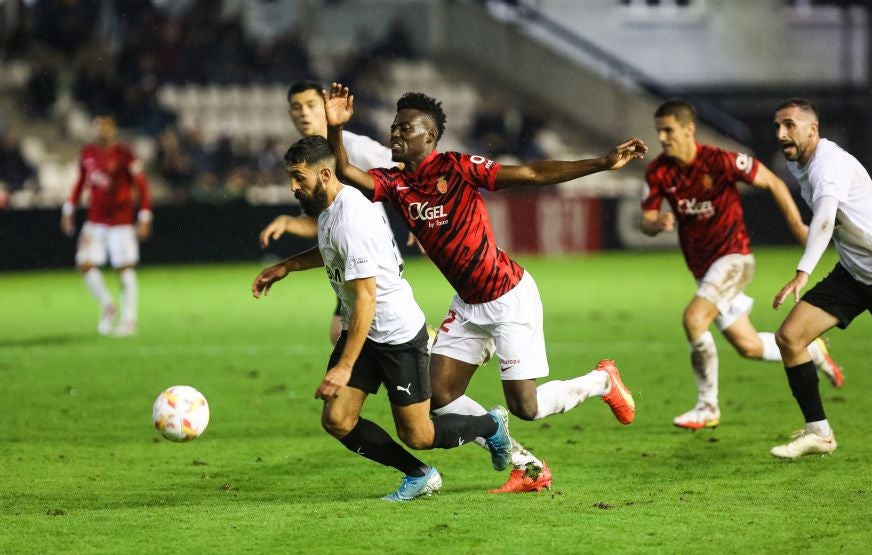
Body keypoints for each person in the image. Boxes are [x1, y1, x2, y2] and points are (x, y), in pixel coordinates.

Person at [324, 83, 644, 493]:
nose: (396, 133)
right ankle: (526, 465)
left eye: (406, 128)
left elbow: (530, 173)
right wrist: (335, 130)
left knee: (525, 407)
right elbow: (347, 173)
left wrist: (602, 162)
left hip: (509, 297)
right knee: (439, 393)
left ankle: (602, 382)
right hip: (468, 305)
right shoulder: (395, 184)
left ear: (431, 137)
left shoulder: (457, 167)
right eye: (394, 126)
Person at [251, 136, 513, 501]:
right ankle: (419, 475)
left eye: (299, 177)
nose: (293, 186)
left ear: (325, 174)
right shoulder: (330, 208)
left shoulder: (352, 219)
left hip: (397, 336)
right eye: (291, 177)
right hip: (366, 331)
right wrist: (287, 266)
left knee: (418, 434)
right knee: (338, 419)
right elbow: (330, 250)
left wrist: (344, 367)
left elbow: (366, 300)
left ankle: (491, 424)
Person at [639, 99, 844, 430]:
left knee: (693, 319)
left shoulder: (720, 161)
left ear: (688, 129)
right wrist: (656, 224)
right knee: (748, 346)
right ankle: (815, 351)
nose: (662, 138)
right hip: (705, 270)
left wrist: (796, 226)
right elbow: (645, 220)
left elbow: (773, 182)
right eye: (659, 131)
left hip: (734, 258)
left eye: (668, 130)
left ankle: (707, 407)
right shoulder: (658, 172)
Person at [770, 98, 872, 458]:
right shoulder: (800, 163)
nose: (781, 134)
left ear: (813, 129)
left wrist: (803, 272)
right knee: (790, 337)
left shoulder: (828, 164)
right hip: (853, 274)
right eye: (777, 126)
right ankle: (820, 433)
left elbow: (825, 220)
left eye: (789, 125)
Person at [259, 80, 403, 345]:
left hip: (372, 256)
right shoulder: (305, 158)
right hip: (344, 257)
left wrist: (420, 216)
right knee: (344, 335)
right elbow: (320, 224)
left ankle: (425, 347)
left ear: (324, 107)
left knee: (366, 335)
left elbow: (403, 168)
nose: (303, 112)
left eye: (311, 105)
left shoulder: (353, 146)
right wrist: (289, 222)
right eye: (296, 107)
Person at [61, 114, 152, 336]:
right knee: (84, 264)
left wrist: (145, 217)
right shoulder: (88, 153)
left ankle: (129, 320)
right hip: (95, 221)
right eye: (98, 127)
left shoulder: (125, 154)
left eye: (106, 127)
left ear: (114, 130)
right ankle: (108, 305)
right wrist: (68, 210)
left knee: (124, 268)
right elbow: (80, 183)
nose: (102, 131)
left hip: (121, 222)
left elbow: (142, 187)